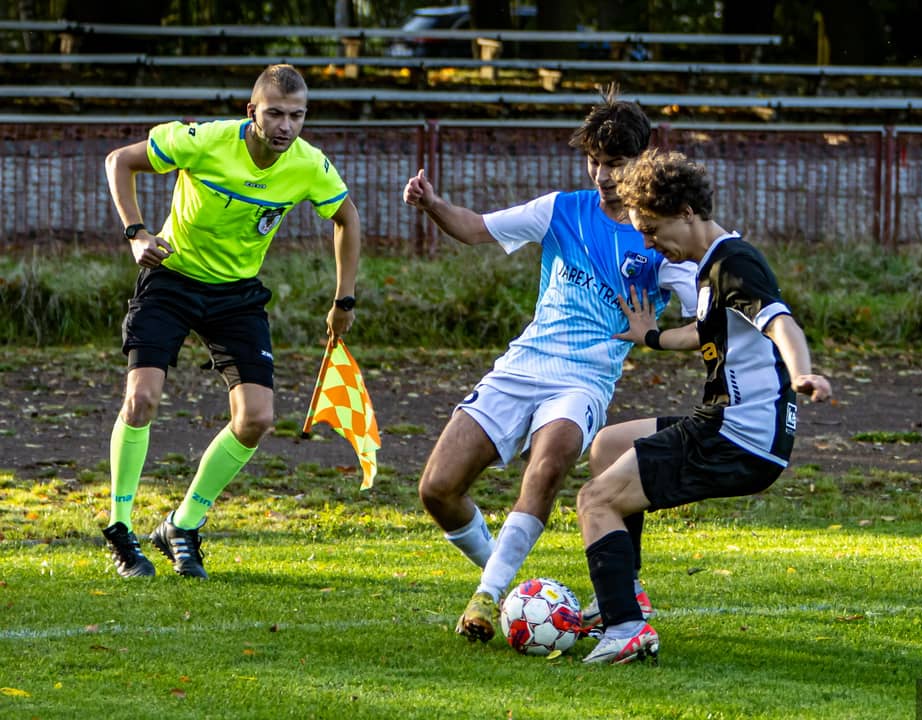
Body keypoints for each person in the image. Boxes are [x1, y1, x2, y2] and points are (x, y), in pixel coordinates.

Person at [401, 86, 699, 643]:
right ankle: (514, 586)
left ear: (642, 161)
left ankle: (487, 596)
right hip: (523, 365)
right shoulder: (562, 210)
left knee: (548, 464)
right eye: (595, 161)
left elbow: (709, 315)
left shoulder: (658, 239)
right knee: (437, 489)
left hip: (583, 382)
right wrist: (433, 204)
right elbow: (475, 228)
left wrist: (655, 336)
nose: (603, 175)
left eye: (616, 163)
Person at [100, 64, 362, 579]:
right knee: (142, 398)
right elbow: (119, 161)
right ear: (252, 112)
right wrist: (137, 233)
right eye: (275, 114)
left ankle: (183, 524)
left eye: (297, 116)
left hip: (237, 296)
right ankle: (120, 527)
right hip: (172, 279)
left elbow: (347, 218)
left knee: (257, 418)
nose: (286, 126)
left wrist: (344, 301)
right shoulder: (206, 141)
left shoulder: (308, 164)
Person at [575, 148, 832, 665]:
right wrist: (651, 336)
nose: (648, 243)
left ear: (686, 212)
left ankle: (625, 627)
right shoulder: (711, 265)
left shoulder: (734, 263)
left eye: (652, 230)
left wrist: (802, 371)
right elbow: (706, 331)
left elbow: (781, 322)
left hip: (737, 436)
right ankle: (626, 594)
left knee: (595, 500)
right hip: (730, 425)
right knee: (608, 445)